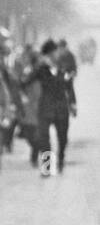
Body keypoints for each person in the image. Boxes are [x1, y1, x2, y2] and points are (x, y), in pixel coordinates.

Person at [32, 39, 77, 174]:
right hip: (45, 108)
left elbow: (69, 86)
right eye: (50, 54)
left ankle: (61, 160)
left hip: (61, 108)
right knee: (44, 139)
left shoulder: (63, 67)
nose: (53, 56)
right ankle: (46, 167)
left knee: (62, 138)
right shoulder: (40, 69)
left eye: (54, 53)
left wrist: (73, 104)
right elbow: (26, 80)